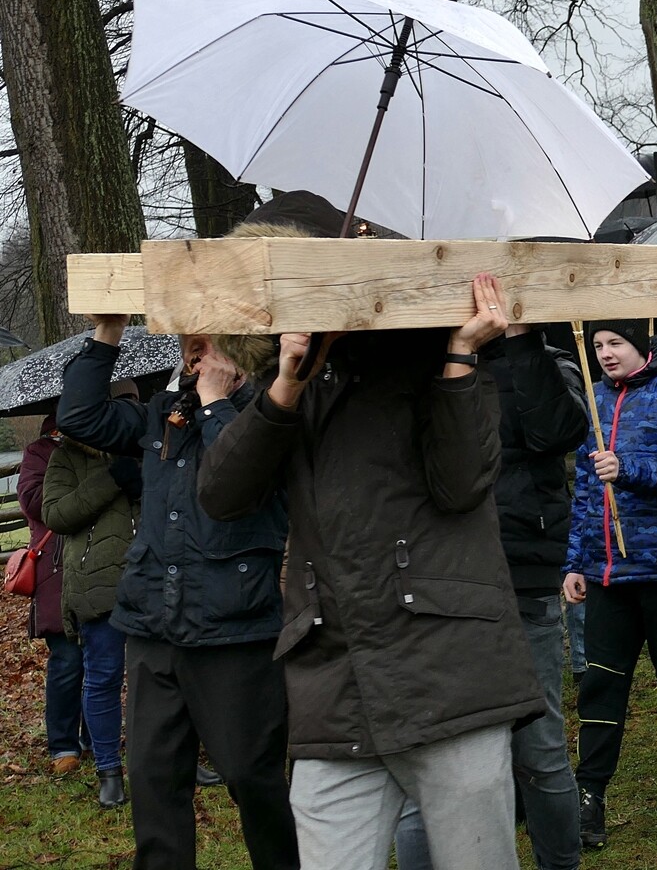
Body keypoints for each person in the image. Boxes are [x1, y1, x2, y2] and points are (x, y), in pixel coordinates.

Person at [196, 253, 543, 870]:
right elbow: (221, 495)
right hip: (335, 683)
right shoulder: (296, 381)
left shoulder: (436, 357)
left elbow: (462, 484)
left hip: (446, 669)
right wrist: (286, 384)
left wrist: (461, 356)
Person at [59, 313, 301, 870]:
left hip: (234, 628)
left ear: (243, 348)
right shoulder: (163, 412)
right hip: (153, 623)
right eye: (190, 339)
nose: (196, 350)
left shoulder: (271, 410)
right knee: (153, 780)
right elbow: (79, 416)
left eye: (210, 339)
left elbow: (242, 476)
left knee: (252, 778)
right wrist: (107, 334)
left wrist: (216, 403)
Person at [393, 315, 590, 870]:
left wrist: (523, 339)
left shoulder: (546, 360)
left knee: (538, 746)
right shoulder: (415, 363)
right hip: (433, 576)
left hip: (519, 571)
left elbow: (556, 432)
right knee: (428, 750)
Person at [561, 320, 657, 847]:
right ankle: (590, 795)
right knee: (601, 684)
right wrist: (576, 562)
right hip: (607, 573)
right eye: (598, 345)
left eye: (615, 343)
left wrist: (627, 468)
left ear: (640, 344)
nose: (605, 353)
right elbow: (585, 489)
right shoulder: (596, 398)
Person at [43, 386, 142, 810]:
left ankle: (176, 760)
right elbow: (56, 514)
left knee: (165, 676)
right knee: (103, 676)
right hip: (97, 583)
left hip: (153, 575)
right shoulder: (66, 456)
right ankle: (109, 771)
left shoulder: (154, 444)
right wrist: (111, 478)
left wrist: (144, 480)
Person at [17, 414, 86, 781]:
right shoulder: (39, 453)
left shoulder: (99, 448)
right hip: (55, 571)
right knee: (67, 660)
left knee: (99, 660)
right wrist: (76, 479)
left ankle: (94, 737)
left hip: (96, 565)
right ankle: (63, 745)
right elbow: (33, 501)